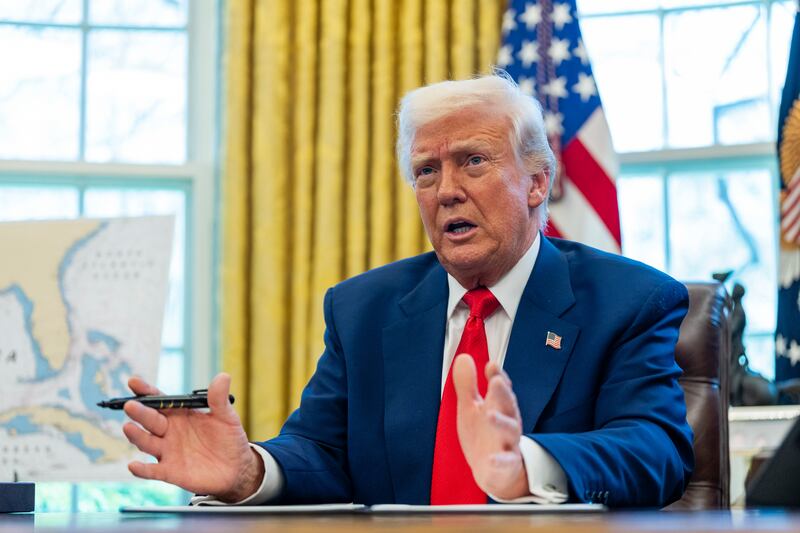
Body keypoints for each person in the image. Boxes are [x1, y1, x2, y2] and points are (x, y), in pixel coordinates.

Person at [122, 74, 694, 507]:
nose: (446, 191)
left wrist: (527, 463)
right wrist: (249, 471)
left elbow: (656, 448)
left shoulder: (628, 301)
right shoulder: (362, 310)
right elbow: (323, 450)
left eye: (473, 161)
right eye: (426, 171)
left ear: (537, 182)